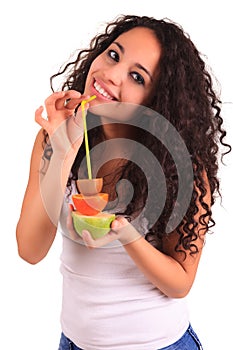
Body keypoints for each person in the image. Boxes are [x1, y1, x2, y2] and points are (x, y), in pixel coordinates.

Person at [16, 14, 231, 350]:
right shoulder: (54, 138)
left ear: (157, 99)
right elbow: (30, 250)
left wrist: (128, 235)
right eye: (113, 55)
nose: (111, 75)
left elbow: (180, 283)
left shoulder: (181, 167)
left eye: (136, 76)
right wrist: (62, 150)